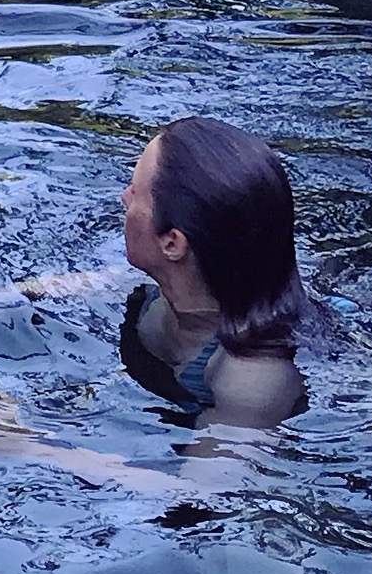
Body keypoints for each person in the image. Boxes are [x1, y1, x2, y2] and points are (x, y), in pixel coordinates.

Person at [116, 115, 311, 429]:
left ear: (172, 243)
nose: (124, 198)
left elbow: (198, 480)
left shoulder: (251, 382)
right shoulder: (196, 279)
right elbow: (94, 283)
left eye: (136, 192)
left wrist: (27, 444)